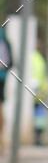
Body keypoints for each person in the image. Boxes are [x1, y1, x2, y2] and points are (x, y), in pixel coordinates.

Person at [0, 25, 13, 154]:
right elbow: (10, 62)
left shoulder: (3, 37)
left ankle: (2, 143)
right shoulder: (4, 36)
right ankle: (2, 143)